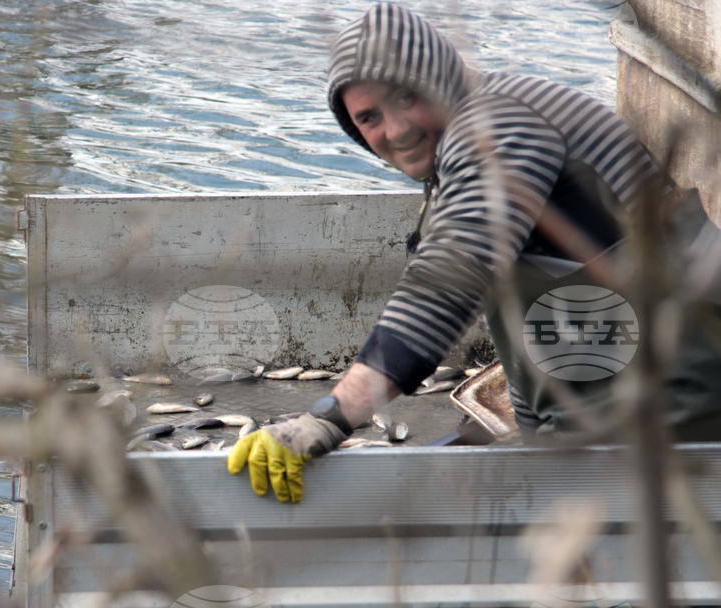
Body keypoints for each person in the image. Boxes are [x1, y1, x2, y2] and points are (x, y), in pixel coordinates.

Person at [228, 1, 721, 503]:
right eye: (370, 117)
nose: (396, 131)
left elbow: (446, 286)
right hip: (631, 376)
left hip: (682, 393)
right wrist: (534, 441)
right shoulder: (479, 123)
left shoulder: (498, 128)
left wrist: (328, 417)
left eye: (406, 96)